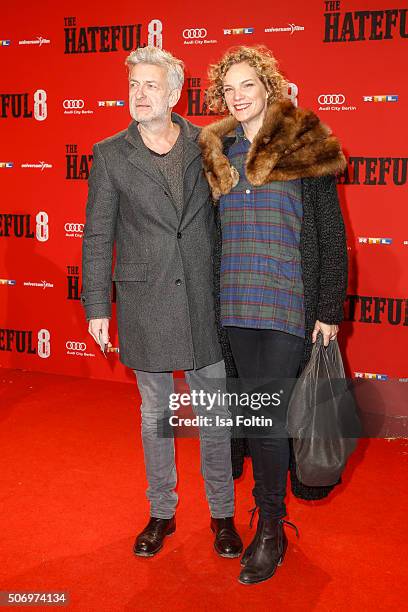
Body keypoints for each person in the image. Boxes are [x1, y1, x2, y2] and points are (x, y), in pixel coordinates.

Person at [81, 46, 242, 560]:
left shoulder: (207, 142)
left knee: (214, 415)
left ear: (174, 93)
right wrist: (96, 306)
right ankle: (162, 512)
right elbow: (97, 232)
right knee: (156, 415)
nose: (139, 94)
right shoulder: (109, 153)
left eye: (151, 86)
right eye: (133, 85)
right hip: (144, 299)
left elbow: (232, 214)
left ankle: (222, 514)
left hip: (202, 298)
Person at [199, 45, 348, 585]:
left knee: (269, 420)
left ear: (268, 87)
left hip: (287, 302)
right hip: (235, 303)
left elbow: (330, 233)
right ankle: (269, 520)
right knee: (257, 417)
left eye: (248, 85)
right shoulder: (216, 150)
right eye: (228, 89)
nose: (238, 97)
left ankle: (270, 526)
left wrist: (328, 306)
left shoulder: (302, 142)